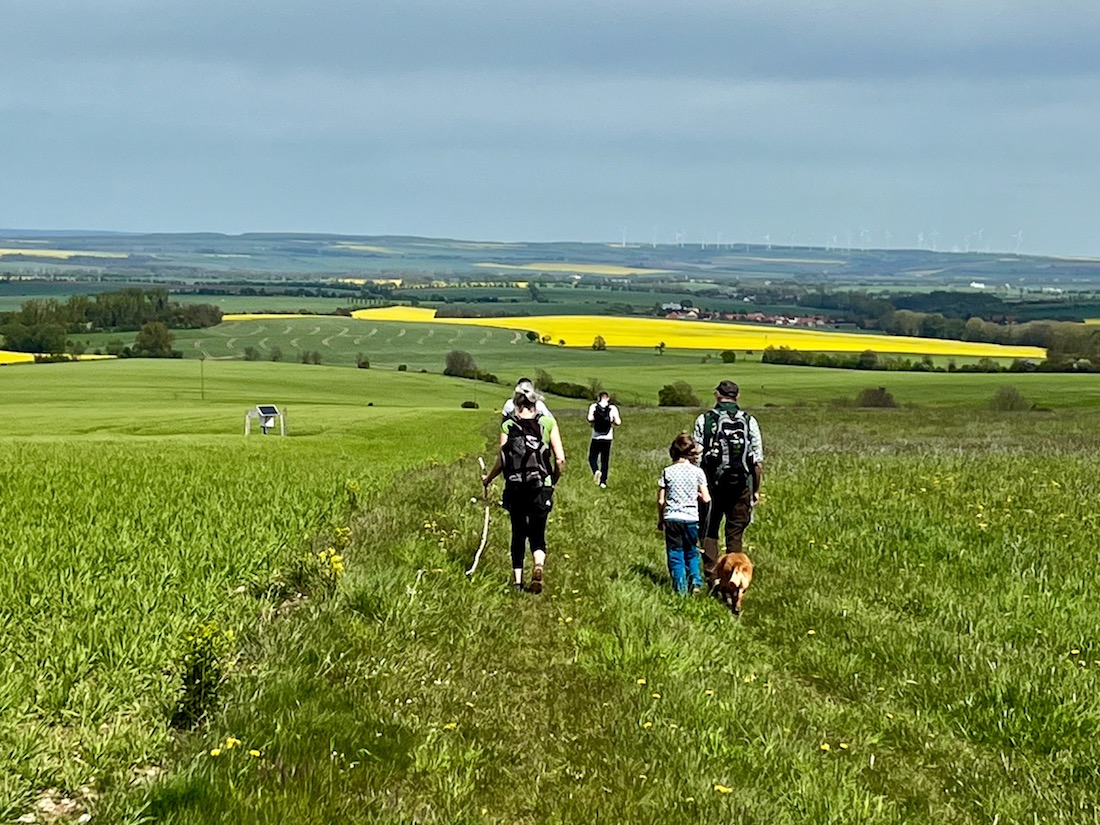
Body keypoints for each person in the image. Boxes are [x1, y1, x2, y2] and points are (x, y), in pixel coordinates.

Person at [483, 385, 565, 593]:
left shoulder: (508, 424)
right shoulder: (548, 423)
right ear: (535, 402)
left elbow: (502, 459)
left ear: (517, 403)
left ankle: (517, 582)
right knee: (538, 533)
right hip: (541, 485)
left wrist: (488, 479)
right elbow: (560, 459)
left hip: (515, 486)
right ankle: (538, 565)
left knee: (518, 533)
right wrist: (553, 480)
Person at [691, 380, 763, 583]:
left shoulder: (705, 420)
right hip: (741, 484)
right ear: (737, 397)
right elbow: (757, 462)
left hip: (712, 485)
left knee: (709, 529)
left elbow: (696, 456)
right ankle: (734, 574)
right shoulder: (749, 421)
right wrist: (755, 489)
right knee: (735, 532)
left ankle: (712, 575)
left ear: (717, 395)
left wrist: (698, 486)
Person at [657, 433, 710, 595]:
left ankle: (680, 589)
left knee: (675, 553)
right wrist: (697, 496)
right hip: (691, 518)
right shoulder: (697, 472)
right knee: (691, 551)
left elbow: (661, 500)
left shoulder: (667, 472)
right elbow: (706, 499)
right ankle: (695, 581)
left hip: (672, 517)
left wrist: (661, 520)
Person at [586, 391, 621, 488]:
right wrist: (612, 421)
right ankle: (603, 482)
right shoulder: (612, 408)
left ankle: (596, 471)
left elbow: (589, 418)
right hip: (607, 437)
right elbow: (618, 422)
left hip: (596, 436)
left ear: (599, 397)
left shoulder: (593, 406)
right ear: (608, 398)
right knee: (605, 460)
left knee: (592, 458)